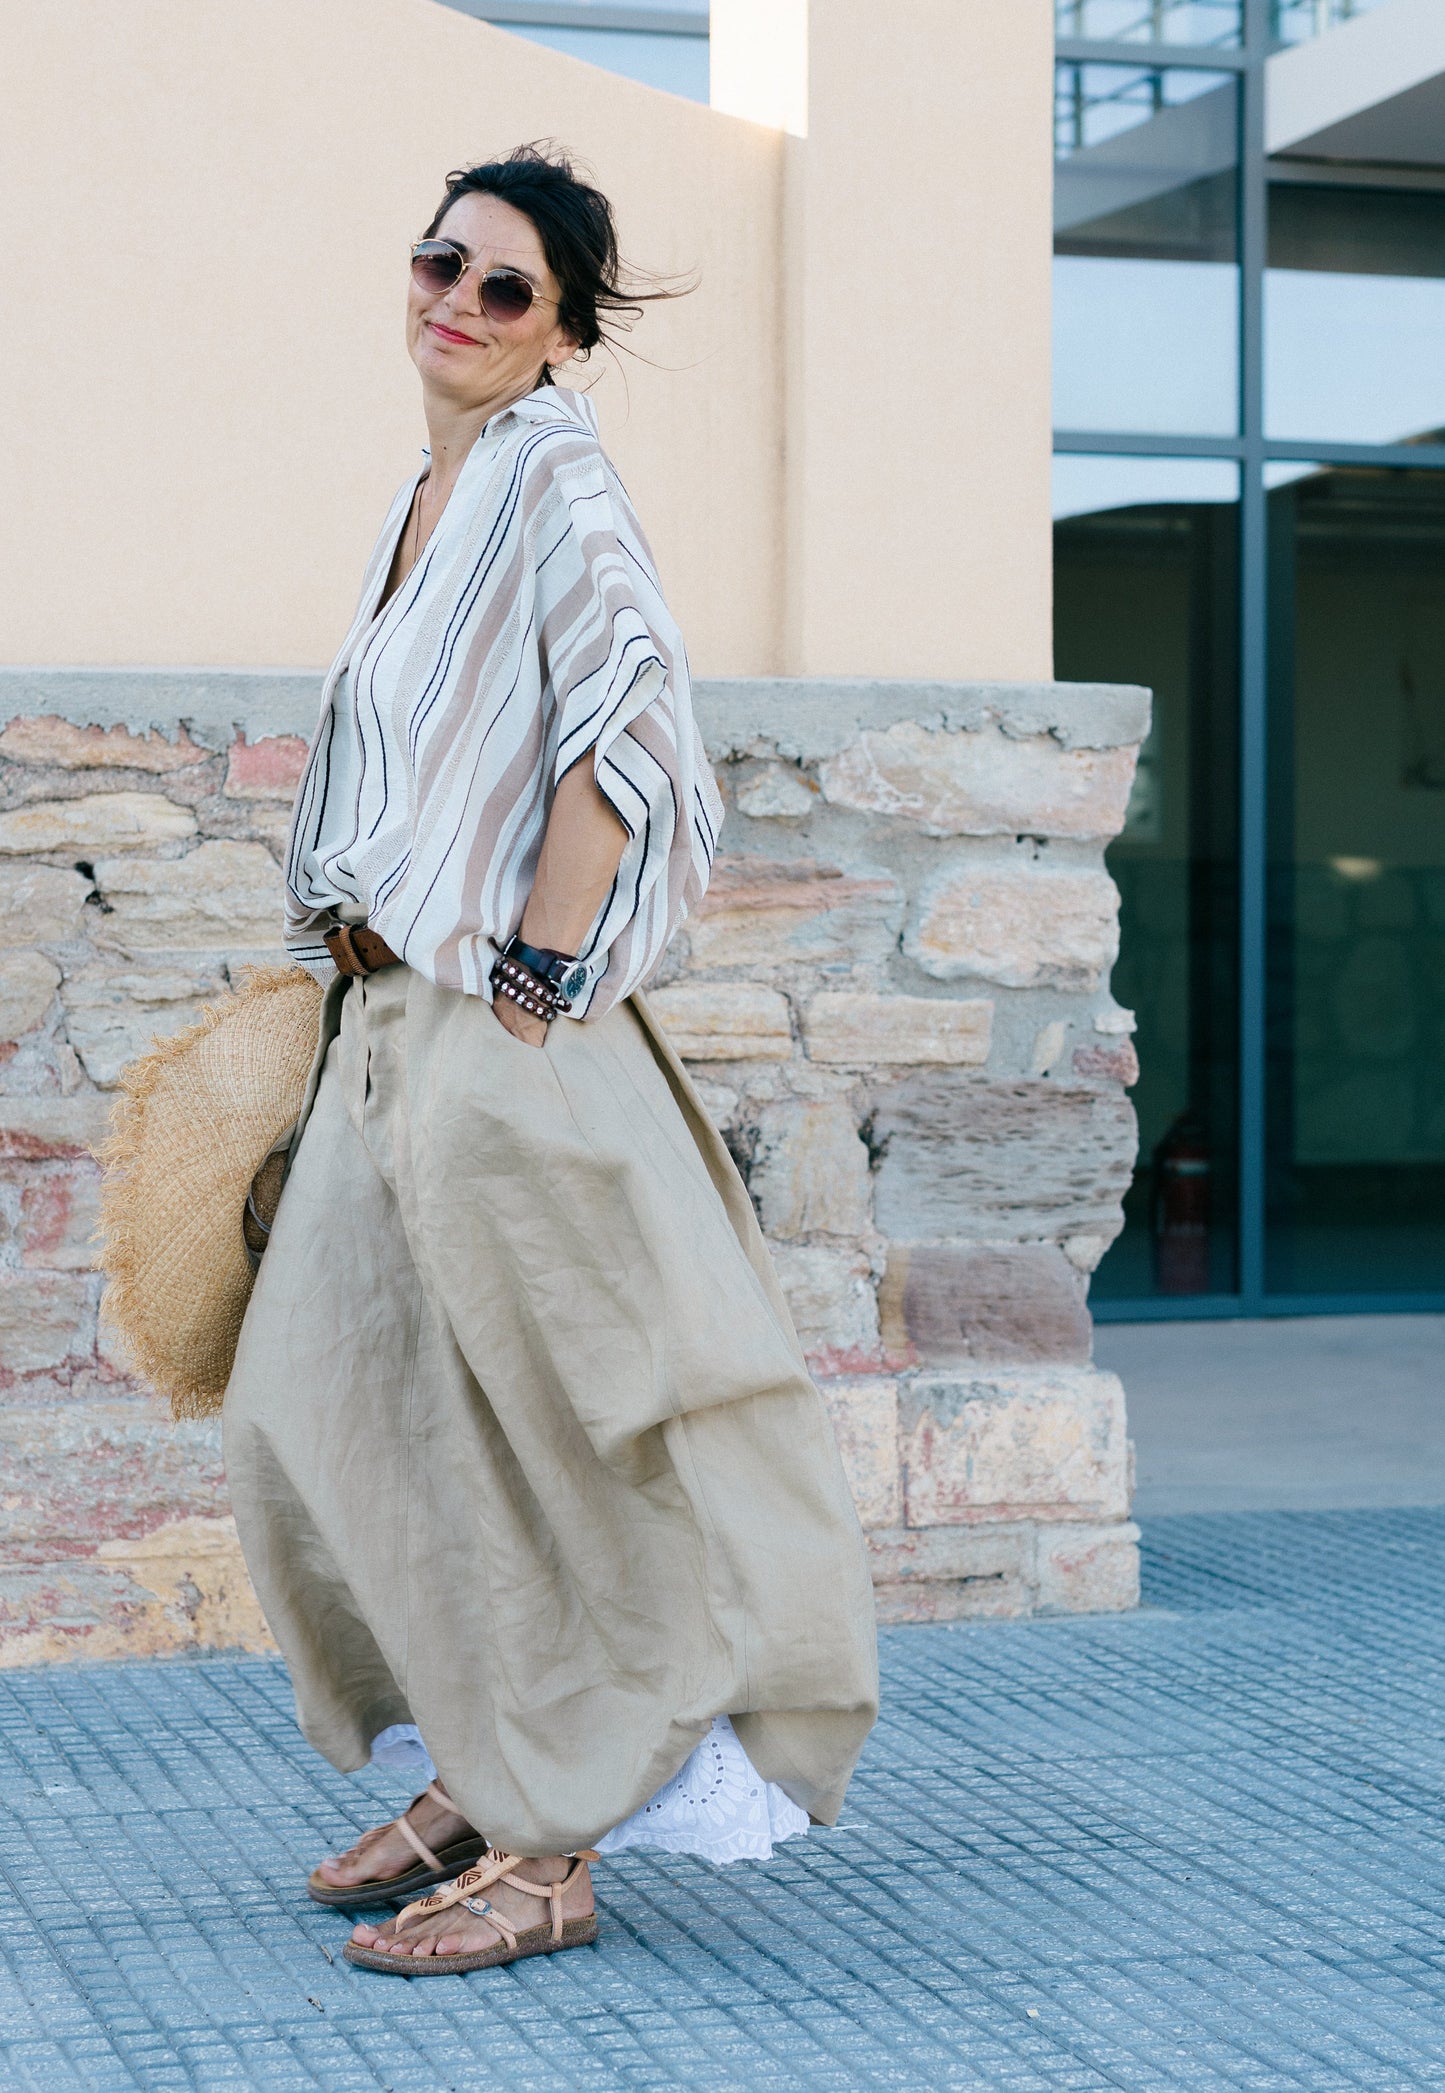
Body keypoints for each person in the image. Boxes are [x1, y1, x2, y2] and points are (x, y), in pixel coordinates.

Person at [223, 144, 878, 1978]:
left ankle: (553, 1840)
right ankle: (474, 1761)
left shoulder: (556, 485)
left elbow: (633, 732)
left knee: (542, 1438)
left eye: (506, 286)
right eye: (442, 259)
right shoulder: (427, 494)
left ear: (562, 330)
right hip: (385, 1021)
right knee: (342, 1410)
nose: (458, 298)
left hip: (489, 1034)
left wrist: (531, 971)